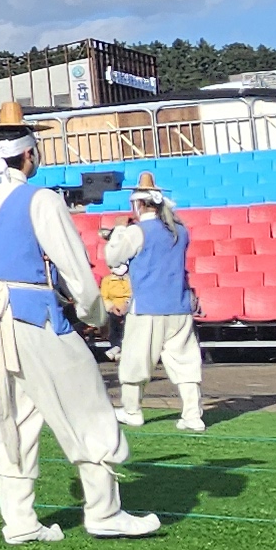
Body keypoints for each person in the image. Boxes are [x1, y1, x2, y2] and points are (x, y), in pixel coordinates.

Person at [0, 107, 158, 544]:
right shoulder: (41, 199)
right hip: (31, 314)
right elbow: (74, 268)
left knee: (8, 414)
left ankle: (19, 521)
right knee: (86, 404)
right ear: (27, 156)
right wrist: (94, 317)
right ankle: (104, 511)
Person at [101, 173, 207, 432]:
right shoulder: (180, 231)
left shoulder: (136, 232)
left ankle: (132, 410)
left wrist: (118, 231)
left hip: (147, 307)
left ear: (137, 204)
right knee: (185, 361)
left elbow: (112, 258)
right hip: (178, 306)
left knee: (135, 361)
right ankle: (192, 415)